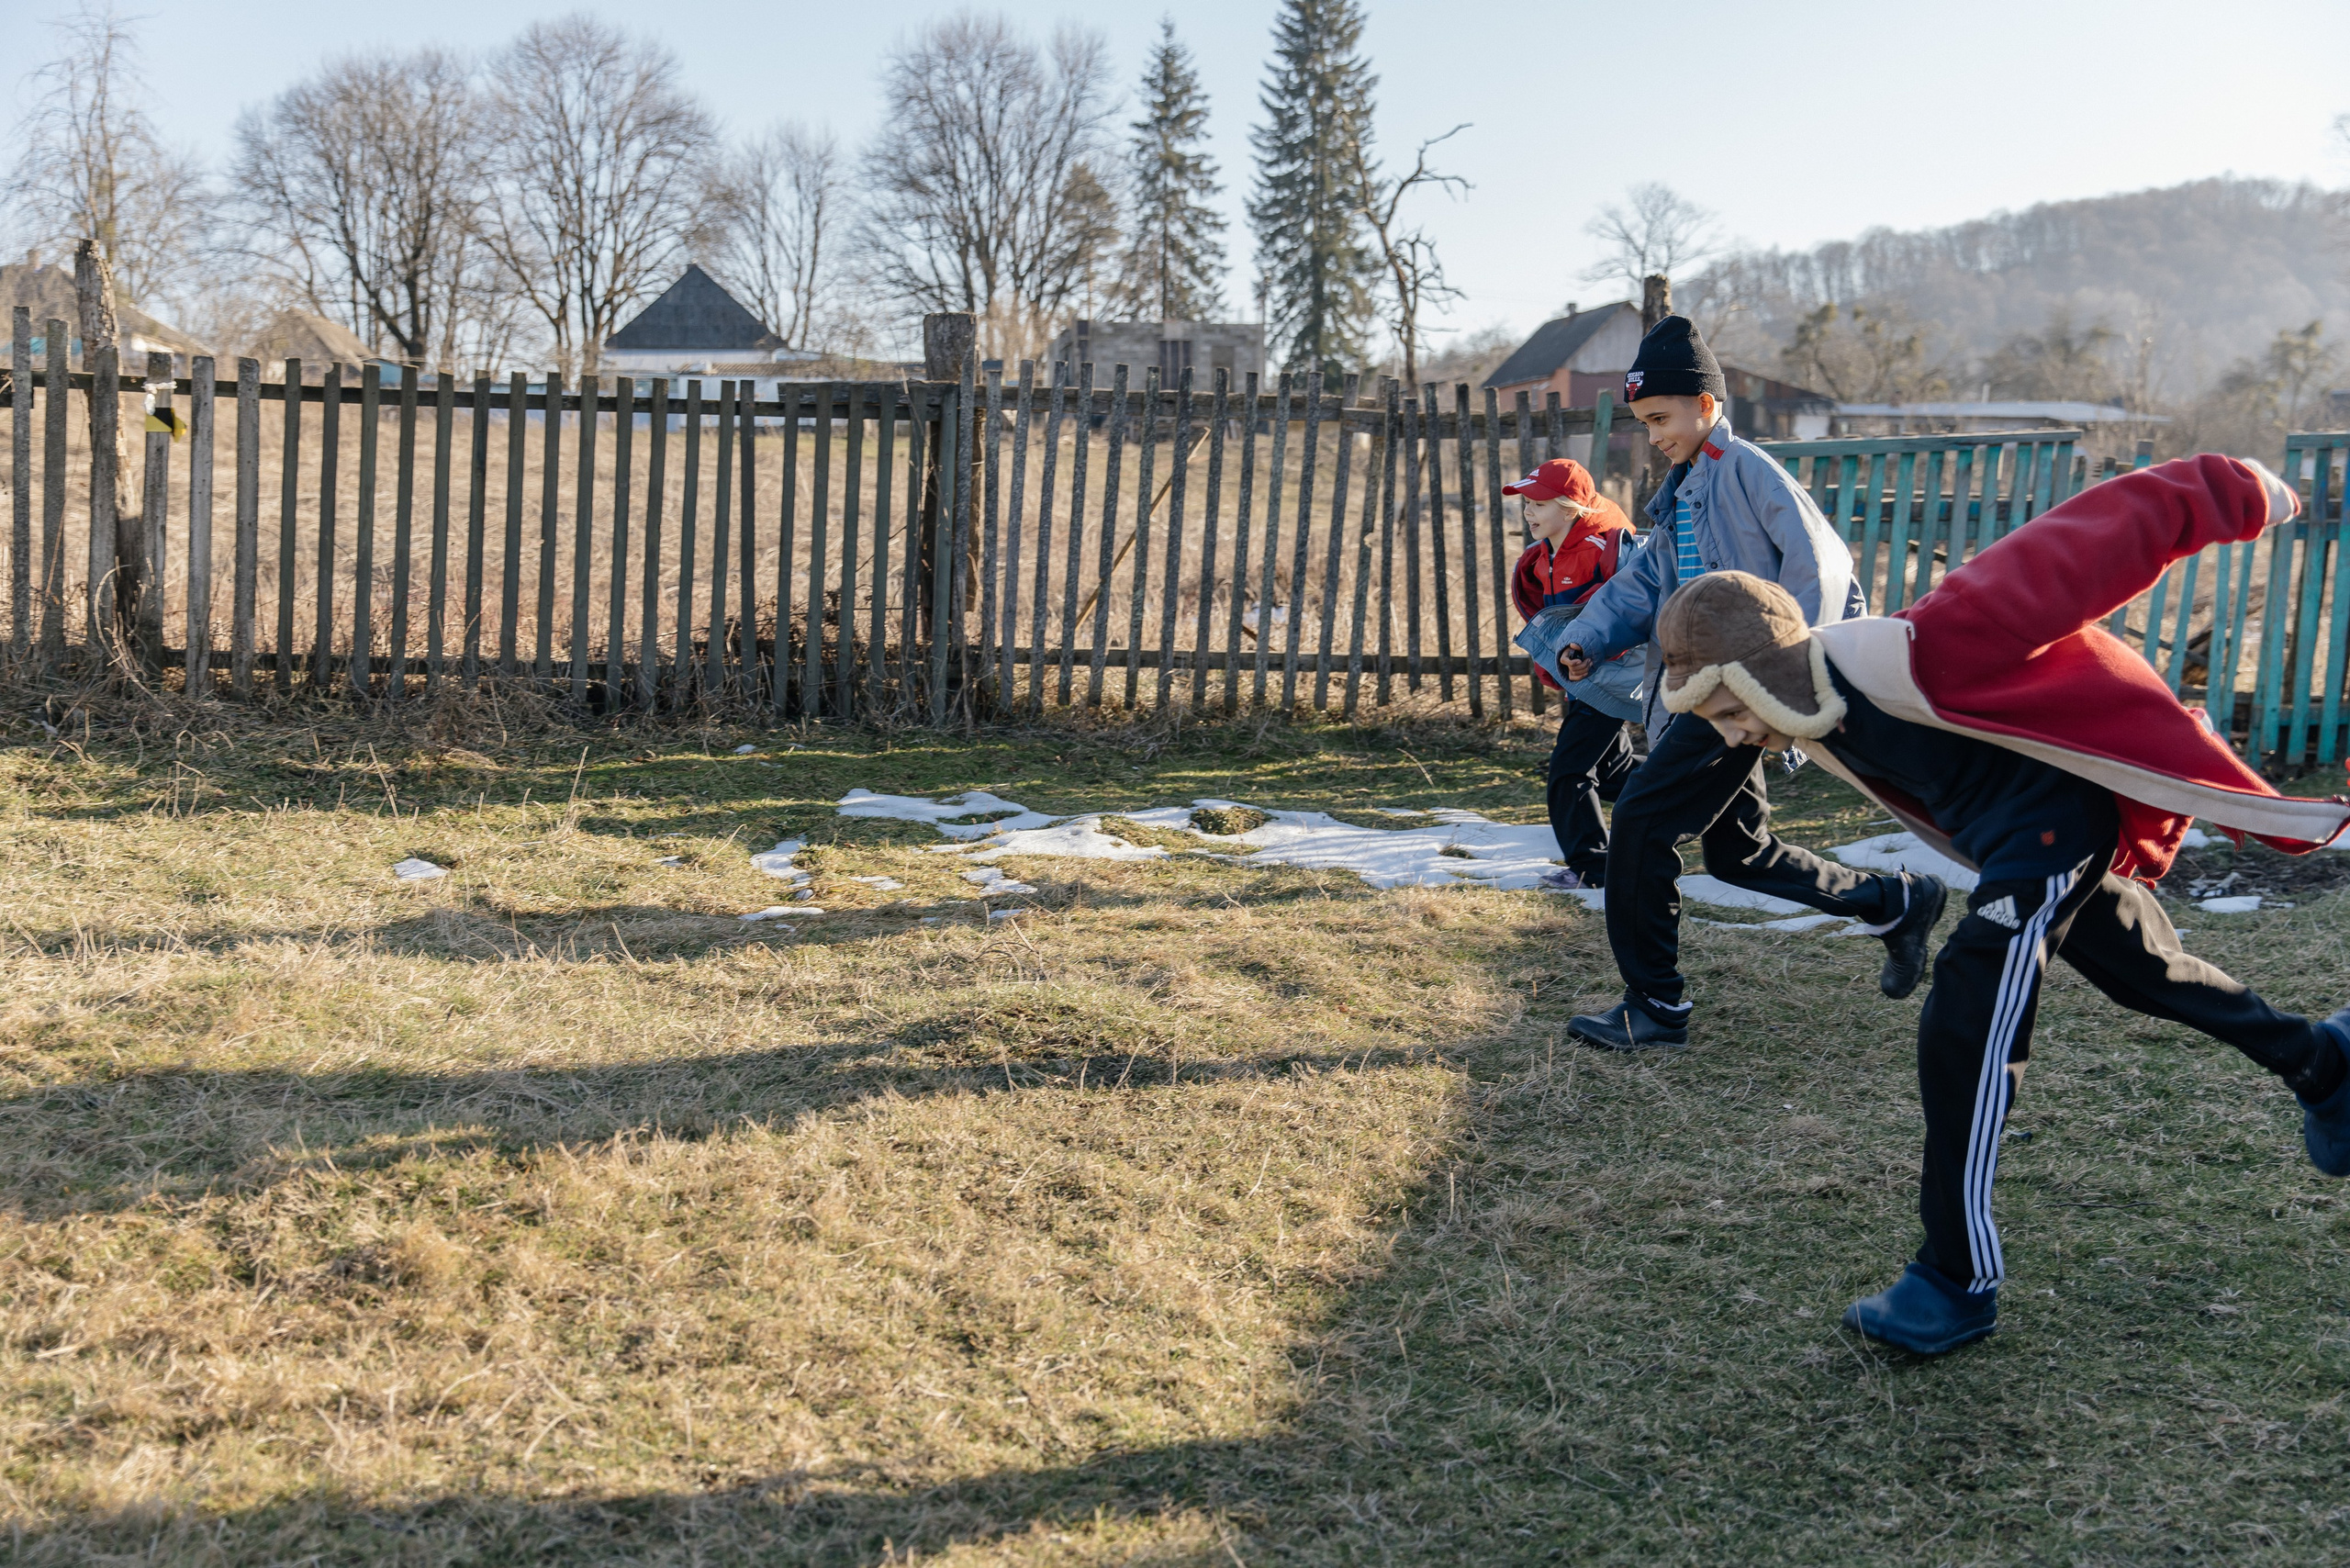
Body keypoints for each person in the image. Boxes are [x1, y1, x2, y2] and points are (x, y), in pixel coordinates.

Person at [1651, 454, 2350, 1355]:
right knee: (2146, 975)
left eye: (1724, 708)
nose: (1730, 734)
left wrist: (2245, 490)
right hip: (2024, 840)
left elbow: (2087, 542)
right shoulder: (1815, 713)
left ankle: (1954, 1280)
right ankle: (2324, 1065)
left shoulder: (1925, 643)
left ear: (1760, 677)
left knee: (1966, 1015)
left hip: (2053, 828)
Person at [1556, 315, 1942, 1051]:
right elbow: (1644, 582)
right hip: (1705, 689)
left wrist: (1791, 681)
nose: (1654, 434)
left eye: (1662, 418)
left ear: (1707, 405)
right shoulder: (1681, 493)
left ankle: (1656, 1005)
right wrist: (1588, 635)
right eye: (1643, 422)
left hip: (1744, 690)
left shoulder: (1749, 471)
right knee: (1739, 852)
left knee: (1639, 820)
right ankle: (1894, 899)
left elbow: (1821, 568)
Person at [1504, 457, 1639, 890]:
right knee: (1614, 772)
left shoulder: (1600, 551)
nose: (1527, 512)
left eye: (1537, 504)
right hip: (1579, 679)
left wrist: (1588, 653)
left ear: (1568, 508)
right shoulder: (1544, 555)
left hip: (1606, 676)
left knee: (1569, 773)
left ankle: (1592, 868)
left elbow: (1621, 611)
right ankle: (1698, 786)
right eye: (1526, 503)